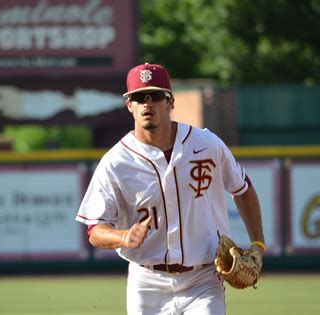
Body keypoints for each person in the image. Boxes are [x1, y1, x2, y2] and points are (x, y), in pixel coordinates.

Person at [75, 63, 265, 315]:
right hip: (147, 284)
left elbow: (243, 189)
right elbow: (94, 230)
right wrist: (122, 237)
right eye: (139, 97)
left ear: (170, 102)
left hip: (203, 279)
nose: (147, 103)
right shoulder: (115, 162)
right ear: (129, 105)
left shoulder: (207, 144)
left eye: (155, 95)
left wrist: (258, 244)